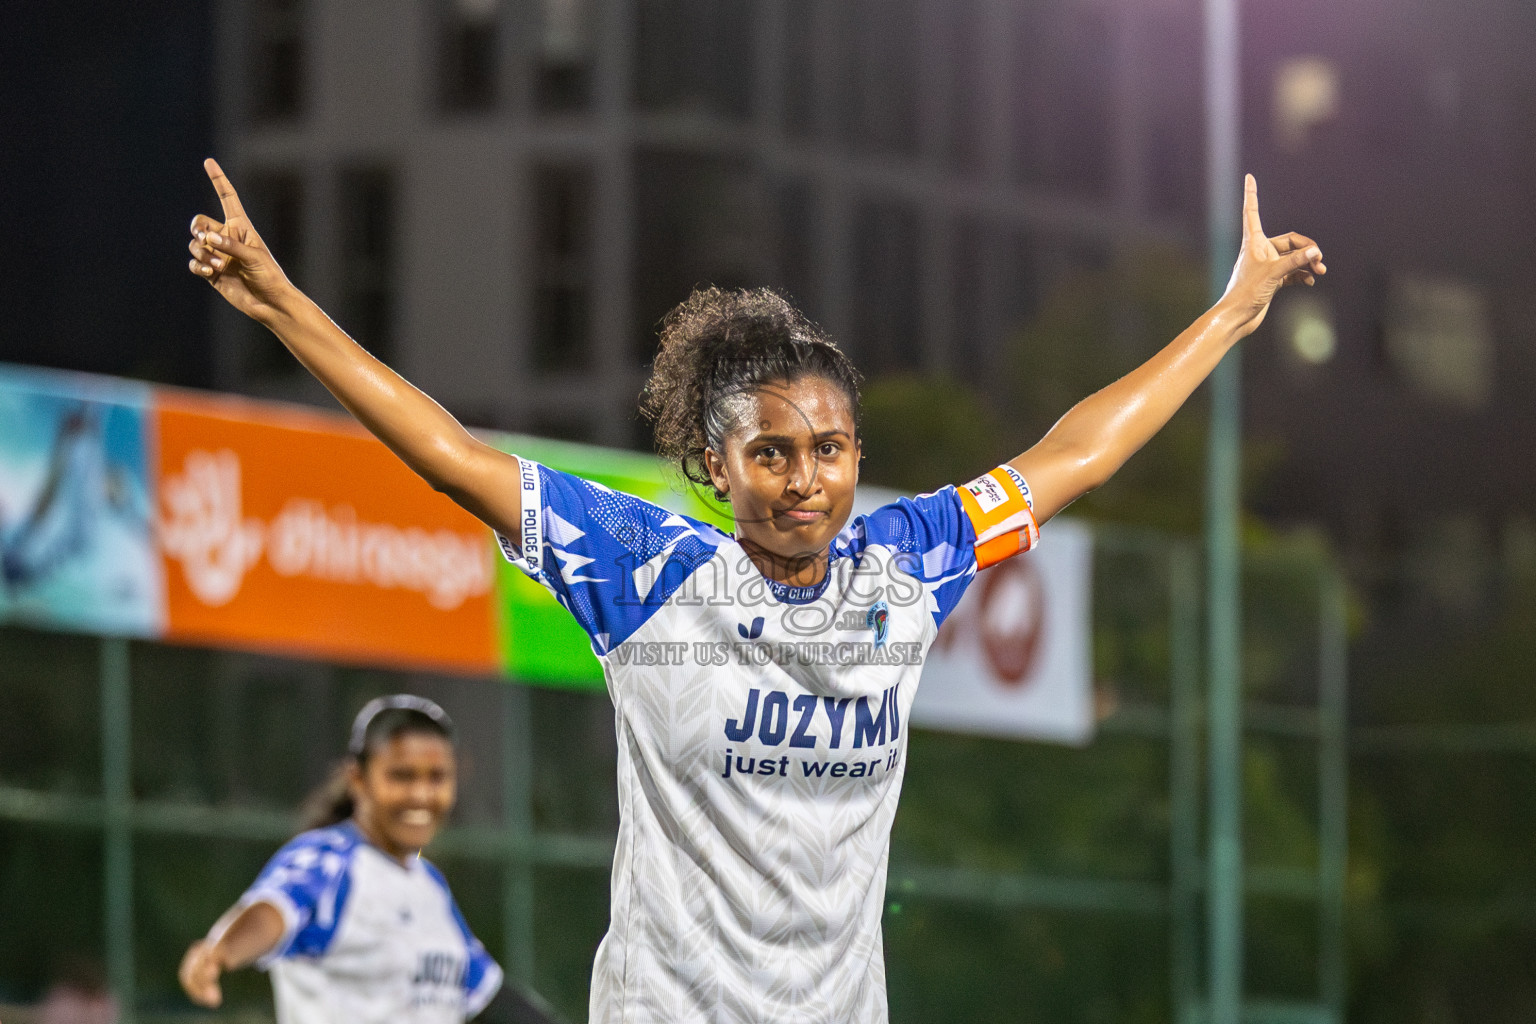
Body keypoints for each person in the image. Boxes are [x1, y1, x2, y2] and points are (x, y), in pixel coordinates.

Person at [187, 158, 1323, 1023]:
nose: (806, 477)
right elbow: (448, 451)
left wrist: (1231, 310)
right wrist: (285, 303)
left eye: (829, 448)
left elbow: (1075, 453)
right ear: (714, 468)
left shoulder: (908, 564)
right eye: (770, 453)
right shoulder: (647, 570)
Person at [177, 695, 503, 1022]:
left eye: (437, 777)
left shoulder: (430, 885)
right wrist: (221, 951)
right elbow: (272, 911)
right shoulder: (329, 861)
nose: (421, 795)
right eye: (402, 776)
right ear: (358, 779)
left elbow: (487, 994)